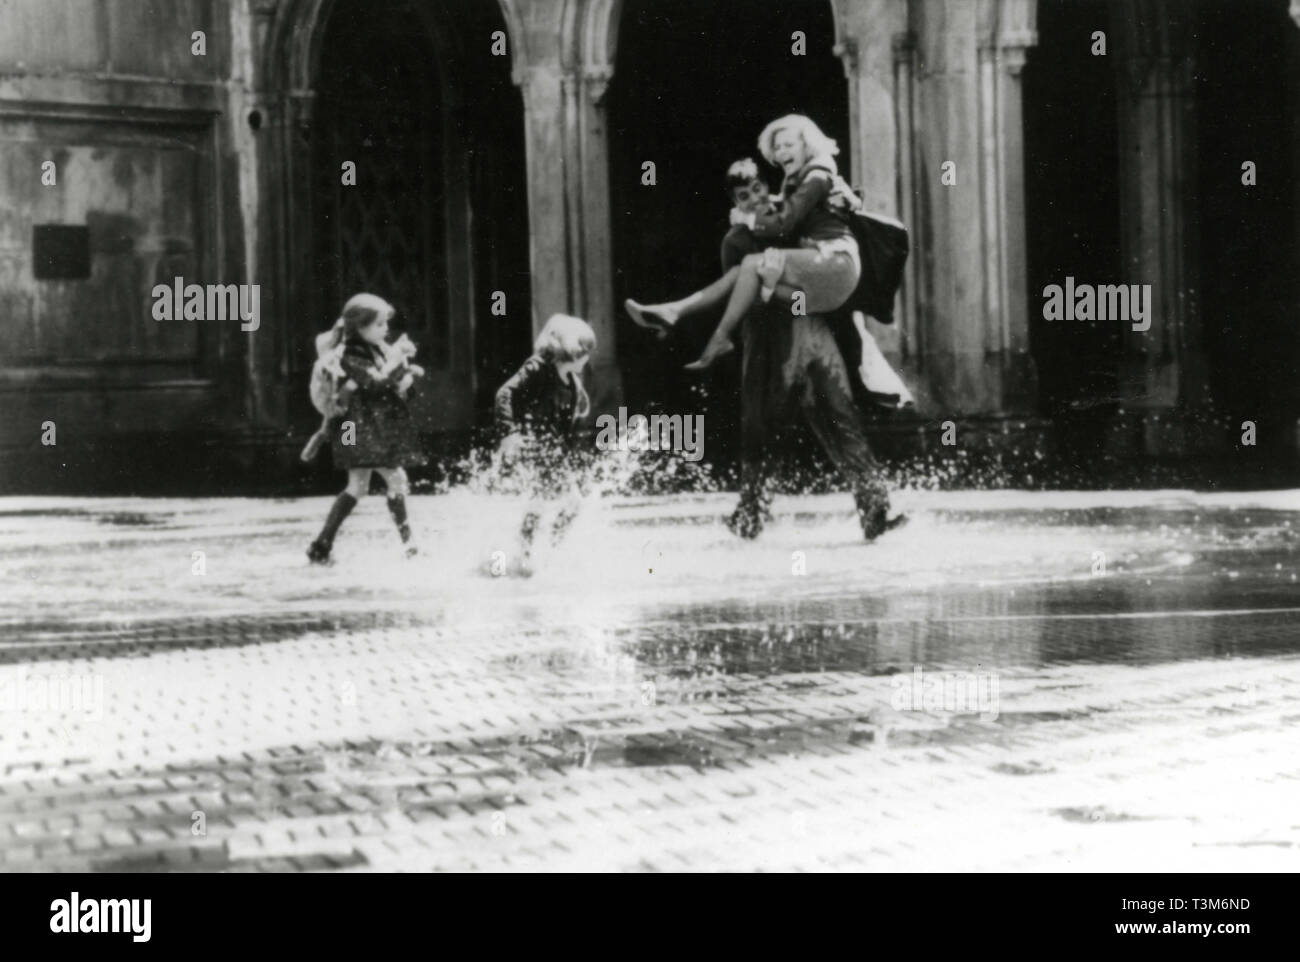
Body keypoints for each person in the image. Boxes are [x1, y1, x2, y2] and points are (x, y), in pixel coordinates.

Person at [625, 114, 862, 371]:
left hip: (834, 263)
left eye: (789, 144)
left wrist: (748, 218)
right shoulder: (795, 182)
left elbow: (785, 221)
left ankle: (719, 337)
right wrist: (768, 285)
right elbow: (790, 210)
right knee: (742, 271)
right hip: (802, 297)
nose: (782, 151)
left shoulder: (817, 174)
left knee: (749, 265)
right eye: (778, 147)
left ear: (806, 145)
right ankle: (674, 312)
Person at [306, 293, 425, 564]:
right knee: (395, 480)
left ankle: (322, 543)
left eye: (386, 324)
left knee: (358, 486)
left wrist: (405, 373)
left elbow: (389, 382)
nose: (386, 330)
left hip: (362, 428)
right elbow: (374, 382)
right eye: (380, 324)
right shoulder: (350, 353)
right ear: (360, 327)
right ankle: (410, 545)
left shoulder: (374, 349)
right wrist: (395, 360)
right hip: (356, 429)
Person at [495, 313, 596, 572]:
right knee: (559, 500)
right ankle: (538, 554)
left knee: (546, 502)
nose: (588, 356)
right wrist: (508, 432)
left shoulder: (572, 382)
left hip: (553, 449)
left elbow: (566, 427)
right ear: (572, 349)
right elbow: (505, 393)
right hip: (533, 444)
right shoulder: (539, 367)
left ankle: (538, 552)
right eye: (586, 350)